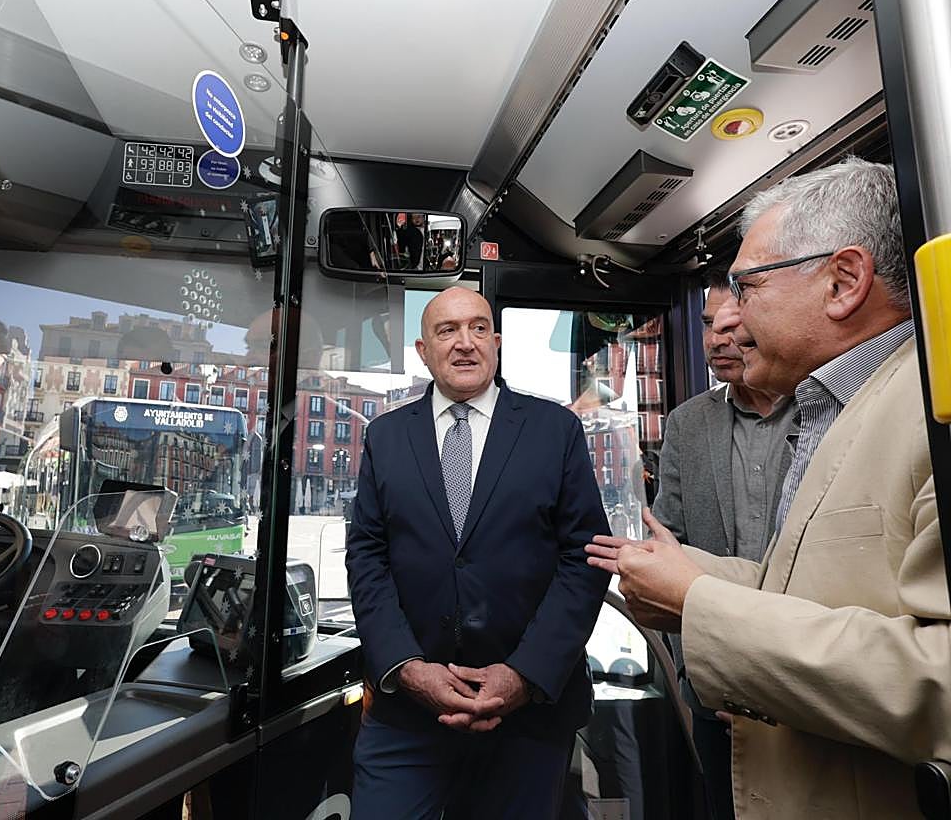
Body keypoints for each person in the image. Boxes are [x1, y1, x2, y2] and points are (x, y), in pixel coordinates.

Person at [586, 157, 949, 819]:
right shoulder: (840, 404)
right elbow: (820, 596)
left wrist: (697, 604)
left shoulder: (935, 409)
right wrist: (682, 569)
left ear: (842, 282)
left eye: (746, 288)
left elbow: (941, 680)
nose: (731, 319)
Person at [346, 287, 610, 819]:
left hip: (528, 715)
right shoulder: (386, 436)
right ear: (423, 350)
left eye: (478, 328)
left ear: (497, 341)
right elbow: (367, 557)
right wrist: (407, 667)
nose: (465, 343)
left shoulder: (555, 430)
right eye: (447, 331)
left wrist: (523, 675)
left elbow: (584, 558)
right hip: (408, 715)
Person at [652, 266, 793, 820]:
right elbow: (672, 546)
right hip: (715, 694)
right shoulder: (688, 424)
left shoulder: (826, 408)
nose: (716, 339)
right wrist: (701, 672)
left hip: (807, 686)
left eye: (732, 324)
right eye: (709, 324)